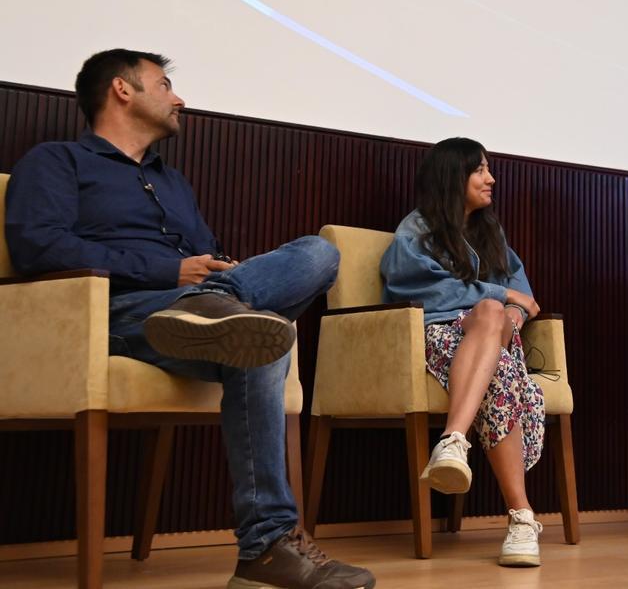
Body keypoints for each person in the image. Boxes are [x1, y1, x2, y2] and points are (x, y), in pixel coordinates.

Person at [4, 49, 375, 589]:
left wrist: (224, 274)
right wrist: (168, 271)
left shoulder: (173, 183)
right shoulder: (57, 161)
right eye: (165, 84)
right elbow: (39, 247)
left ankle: (265, 550)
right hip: (115, 312)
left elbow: (206, 251)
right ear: (122, 90)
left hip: (200, 309)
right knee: (258, 334)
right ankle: (268, 544)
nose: (180, 99)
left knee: (317, 258)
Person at [380, 137, 546, 567]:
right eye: (479, 170)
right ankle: (522, 517)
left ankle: (453, 443)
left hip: (490, 340)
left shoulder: (491, 233)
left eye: (489, 169)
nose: (490, 179)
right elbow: (417, 289)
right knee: (498, 348)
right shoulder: (416, 229)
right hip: (436, 333)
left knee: (496, 328)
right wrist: (500, 296)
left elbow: (526, 299)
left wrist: (513, 314)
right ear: (453, 176)